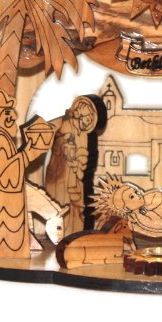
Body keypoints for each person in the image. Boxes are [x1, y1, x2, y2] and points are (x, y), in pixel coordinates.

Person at [0, 89, 44, 260]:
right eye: (8, 113)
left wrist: (28, 152)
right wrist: (28, 153)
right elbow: (6, 175)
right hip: (2, 206)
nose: (13, 117)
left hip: (2, 205)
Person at [46, 96, 97, 235]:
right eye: (87, 120)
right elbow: (58, 146)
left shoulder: (83, 134)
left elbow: (81, 160)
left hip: (74, 177)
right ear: (79, 115)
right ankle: (62, 234)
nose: (88, 124)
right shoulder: (65, 126)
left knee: (77, 208)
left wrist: (78, 161)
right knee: (62, 205)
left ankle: (75, 233)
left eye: (90, 121)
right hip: (61, 175)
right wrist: (67, 149)